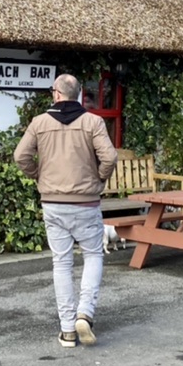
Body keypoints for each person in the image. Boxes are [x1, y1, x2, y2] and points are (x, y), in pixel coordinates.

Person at [14, 74, 118, 348]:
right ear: (78, 94)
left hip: (53, 203)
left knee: (61, 263)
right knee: (93, 255)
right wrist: (99, 179)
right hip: (86, 202)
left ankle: (68, 329)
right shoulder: (93, 122)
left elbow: (20, 156)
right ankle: (85, 313)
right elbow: (110, 157)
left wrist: (38, 175)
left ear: (56, 94)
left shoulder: (39, 122)